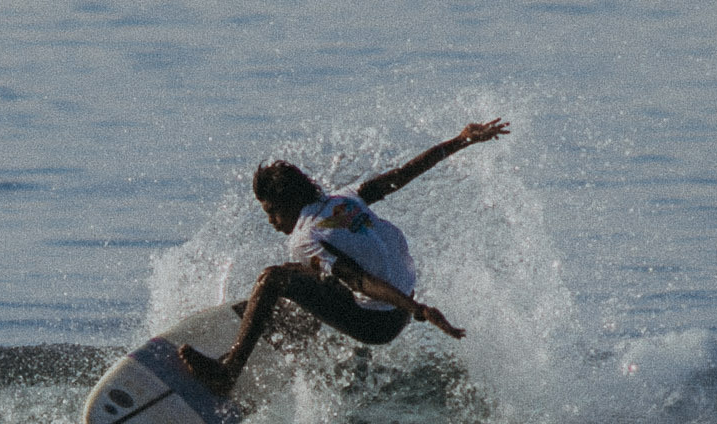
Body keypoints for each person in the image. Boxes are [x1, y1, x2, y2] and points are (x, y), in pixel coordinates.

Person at [177, 118, 511, 398]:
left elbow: (359, 280)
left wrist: (419, 310)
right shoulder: (344, 199)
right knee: (304, 272)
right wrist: (461, 140)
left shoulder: (305, 238)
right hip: (397, 306)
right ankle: (299, 332)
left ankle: (228, 371)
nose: (271, 222)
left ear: (290, 203)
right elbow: (403, 174)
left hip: (378, 323)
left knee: (273, 278)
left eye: (272, 212)